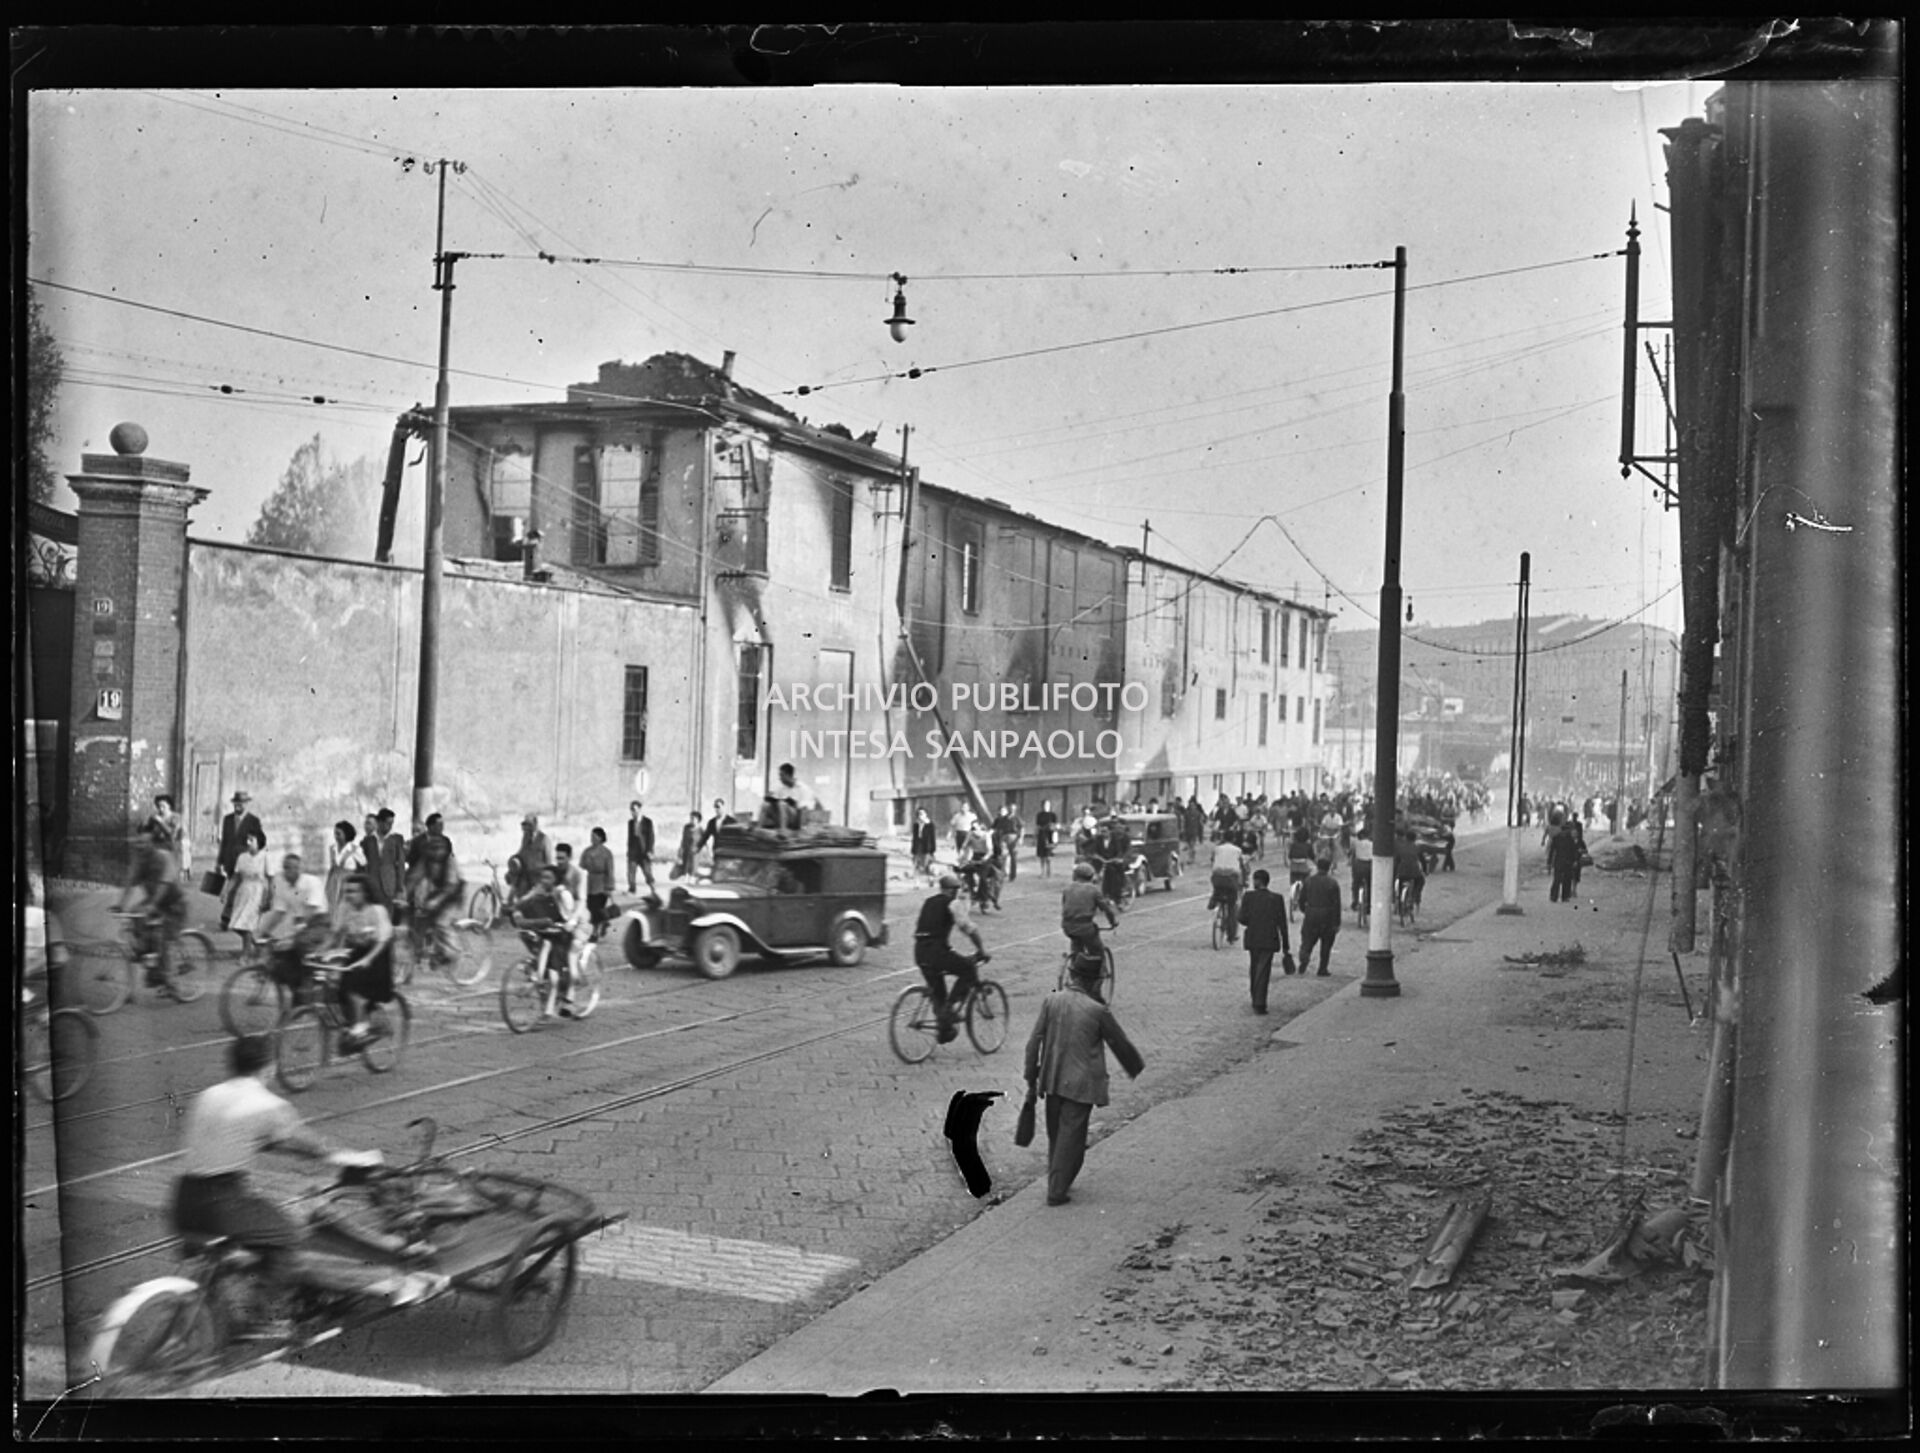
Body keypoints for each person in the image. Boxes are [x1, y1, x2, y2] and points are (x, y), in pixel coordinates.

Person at [171, 1034, 444, 1334]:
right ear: (269, 1068)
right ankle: (260, 1318)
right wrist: (349, 1157)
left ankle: (235, 1274)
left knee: (264, 1225)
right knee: (288, 1238)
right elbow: (310, 1144)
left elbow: (255, 1142)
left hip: (184, 1200)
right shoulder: (266, 1104)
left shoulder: (209, 1095)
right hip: (223, 1203)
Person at [1022, 953, 1145, 1206]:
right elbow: (1119, 1042)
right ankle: (1056, 1190)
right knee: (1072, 1138)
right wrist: (1135, 1067)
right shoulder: (1098, 1010)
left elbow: (1034, 1041)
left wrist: (1030, 1075)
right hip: (1081, 1083)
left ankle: (1058, 1179)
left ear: (1073, 976)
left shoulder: (1052, 1000)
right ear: (1093, 982)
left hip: (1053, 1078)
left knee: (1057, 1135)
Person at [912, 872, 989, 1044]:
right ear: (953, 890)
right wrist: (981, 950)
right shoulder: (953, 904)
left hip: (920, 951)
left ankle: (944, 1030)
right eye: (957, 889)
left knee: (938, 993)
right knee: (968, 968)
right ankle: (951, 1009)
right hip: (936, 952)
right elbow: (968, 928)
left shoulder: (929, 902)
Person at [328, 873, 397, 1053]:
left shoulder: (376, 910)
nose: (349, 895)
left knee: (355, 989)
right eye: (346, 891)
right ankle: (359, 1021)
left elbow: (382, 940)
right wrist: (324, 951)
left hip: (377, 954)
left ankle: (361, 1029)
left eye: (353, 891)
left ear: (365, 893)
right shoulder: (344, 907)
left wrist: (368, 959)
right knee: (338, 987)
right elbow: (337, 933)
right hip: (355, 950)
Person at [510, 863, 590, 1015]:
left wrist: (567, 924)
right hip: (549, 932)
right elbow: (522, 903)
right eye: (542, 877)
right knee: (543, 952)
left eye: (548, 878)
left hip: (566, 933)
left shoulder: (562, 894)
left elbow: (569, 916)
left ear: (556, 880)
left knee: (561, 964)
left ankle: (568, 997)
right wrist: (517, 909)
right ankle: (547, 1006)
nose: (543, 880)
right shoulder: (539, 890)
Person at [118, 840, 188, 990]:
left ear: (152, 846)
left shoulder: (164, 858)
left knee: (163, 938)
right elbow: (130, 883)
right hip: (155, 903)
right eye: (138, 848)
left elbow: (164, 885)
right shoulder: (142, 863)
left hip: (174, 904)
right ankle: (150, 963)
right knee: (135, 916)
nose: (140, 851)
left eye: (144, 846)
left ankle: (169, 980)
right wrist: (120, 905)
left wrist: (152, 906)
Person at [258, 850, 329, 990]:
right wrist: (264, 931)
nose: (289, 871)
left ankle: (315, 976)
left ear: (300, 868)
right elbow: (279, 912)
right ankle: (294, 982)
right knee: (279, 949)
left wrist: (295, 934)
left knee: (300, 943)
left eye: (294, 867)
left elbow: (311, 910)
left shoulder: (312, 882)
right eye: (286, 867)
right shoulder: (280, 882)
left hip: (318, 921)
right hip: (297, 920)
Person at [1236, 868, 1291, 1012]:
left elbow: (1242, 919)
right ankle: (1259, 1002)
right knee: (1263, 970)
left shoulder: (1248, 897)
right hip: (1269, 938)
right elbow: (1282, 924)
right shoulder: (1277, 898)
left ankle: (1255, 997)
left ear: (1256, 881)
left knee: (1254, 968)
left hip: (1253, 938)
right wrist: (1286, 946)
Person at [407, 829, 465, 963]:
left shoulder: (450, 861)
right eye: (434, 848)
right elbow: (414, 878)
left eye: (440, 848)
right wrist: (403, 895)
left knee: (441, 923)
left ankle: (453, 953)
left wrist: (436, 901)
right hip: (437, 893)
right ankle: (422, 949)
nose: (437, 852)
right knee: (419, 917)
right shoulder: (426, 860)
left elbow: (451, 886)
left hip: (453, 895)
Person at [1059, 861, 1119, 975]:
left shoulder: (1067, 889)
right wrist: (1113, 922)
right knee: (1097, 949)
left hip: (1067, 927)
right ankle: (1101, 972)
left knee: (1076, 946)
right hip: (1085, 928)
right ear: (1091, 877)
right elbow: (1106, 910)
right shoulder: (1094, 890)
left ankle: (1075, 969)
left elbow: (1065, 906)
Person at [224, 832, 268, 960]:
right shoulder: (242, 857)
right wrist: (226, 891)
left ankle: (246, 953)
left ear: (259, 842)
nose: (248, 843)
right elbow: (236, 877)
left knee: (247, 923)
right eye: (247, 840)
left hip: (257, 892)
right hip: (243, 891)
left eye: (251, 840)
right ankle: (255, 943)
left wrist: (269, 897)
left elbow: (271, 879)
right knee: (235, 924)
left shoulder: (264, 857)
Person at [1297, 858, 1343, 977]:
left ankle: (1304, 957)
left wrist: (1305, 910)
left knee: (1308, 939)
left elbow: (1301, 899)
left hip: (1311, 913)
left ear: (1317, 867)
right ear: (1329, 868)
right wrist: (1337, 922)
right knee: (1326, 944)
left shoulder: (1308, 881)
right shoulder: (1333, 883)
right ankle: (1322, 968)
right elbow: (1337, 904)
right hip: (1327, 915)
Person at [1209, 832, 1246, 945]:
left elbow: (1212, 860)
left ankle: (1213, 901)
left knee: (1217, 889)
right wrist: (1244, 882)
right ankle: (1232, 935)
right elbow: (1242, 866)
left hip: (1217, 878)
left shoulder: (1217, 849)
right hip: (1231, 880)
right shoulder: (1238, 850)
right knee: (1232, 908)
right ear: (1233, 839)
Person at [369, 808, 407, 914]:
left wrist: (399, 887)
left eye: (392, 823)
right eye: (387, 823)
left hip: (390, 884)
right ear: (379, 822)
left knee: (389, 913)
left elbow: (401, 865)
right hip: (373, 883)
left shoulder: (396, 840)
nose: (390, 826)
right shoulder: (368, 841)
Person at [581, 827, 617, 936]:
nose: (592, 839)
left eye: (594, 836)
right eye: (591, 836)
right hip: (589, 884)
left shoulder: (606, 853)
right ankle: (604, 921)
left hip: (601, 884)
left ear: (601, 838)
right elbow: (581, 868)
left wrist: (609, 887)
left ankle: (595, 930)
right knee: (591, 907)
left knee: (597, 908)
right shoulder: (586, 852)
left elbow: (610, 871)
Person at [143, 794, 186, 878]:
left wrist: (160, 823)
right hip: (156, 850)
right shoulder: (154, 818)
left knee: (168, 876)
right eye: (158, 806)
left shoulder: (176, 817)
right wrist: (144, 825)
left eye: (163, 806)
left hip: (170, 848)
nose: (160, 809)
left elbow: (172, 834)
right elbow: (147, 832)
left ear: (169, 805)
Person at [324, 820, 364, 911]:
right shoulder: (332, 848)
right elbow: (331, 867)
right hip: (333, 882)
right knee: (333, 906)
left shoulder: (355, 849)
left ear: (346, 834)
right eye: (335, 834)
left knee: (346, 906)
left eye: (338, 834)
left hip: (348, 881)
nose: (336, 837)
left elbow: (363, 866)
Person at [512, 814, 552, 897]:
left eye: (529, 824)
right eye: (525, 824)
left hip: (538, 877)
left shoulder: (544, 839)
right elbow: (521, 852)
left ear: (535, 824)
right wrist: (514, 859)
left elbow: (548, 861)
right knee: (520, 897)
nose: (526, 827)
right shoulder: (525, 837)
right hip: (526, 875)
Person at [1391, 827, 1427, 916]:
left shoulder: (1400, 847)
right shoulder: (1417, 848)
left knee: (1398, 886)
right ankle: (1414, 896)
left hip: (1402, 872)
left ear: (1406, 837)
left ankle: (1399, 903)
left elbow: (1397, 860)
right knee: (1421, 881)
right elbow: (1423, 861)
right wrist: (1425, 871)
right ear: (1414, 839)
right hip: (1415, 872)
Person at [1547, 811, 1580, 904]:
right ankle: (1565, 896)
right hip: (1568, 861)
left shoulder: (1556, 838)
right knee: (1567, 879)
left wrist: (1549, 862)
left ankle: (1554, 896)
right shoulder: (1570, 839)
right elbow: (1574, 850)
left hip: (1559, 860)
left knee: (1557, 879)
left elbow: (1552, 851)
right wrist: (1575, 860)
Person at [625, 801, 657, 894]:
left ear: (639, 810)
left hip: (644, 852)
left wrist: (650, 851)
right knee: (631, 872)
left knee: (647, 872)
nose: (632, 812)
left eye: (634, 809)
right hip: (633, 852)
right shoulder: (630, 822)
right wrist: (628, 850)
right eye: (631, 810)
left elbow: (651, 837)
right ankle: (632, 889)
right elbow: (630, 837)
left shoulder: (647, 822)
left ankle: (653, 889)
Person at [1285, 826, 1316, 917]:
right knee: (1308, 883)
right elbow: (1312, 857)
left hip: (1294, 868)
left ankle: (1293, 898)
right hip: (1304, 868)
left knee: (1293, 881)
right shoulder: (1308, 846)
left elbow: (1290, 856)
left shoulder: (1293, 845)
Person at [992, 801, 1023, 882]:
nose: (1011, 810)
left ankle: (1012, 875)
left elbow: (1022, 828)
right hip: (1005, 838)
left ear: (1015, 810)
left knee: (1013, 858)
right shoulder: (1003, 819)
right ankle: (1002, 873)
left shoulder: (1017, 819)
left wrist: (1020, 838)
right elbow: (998, 828)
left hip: (1013, 838)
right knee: (1003, 856)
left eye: (1013, 809)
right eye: (1010, 808)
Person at [1033, 799, 1059, 877]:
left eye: (1047, 804)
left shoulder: (1053, 815)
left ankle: (1049, 871)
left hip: (1050, 835)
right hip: (1041, 835)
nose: (1046, 806)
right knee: (1041, 855)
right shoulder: (1039, 815)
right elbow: (1037, 826)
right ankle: (1042, 871)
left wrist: (1053, 830)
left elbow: (1056, 825)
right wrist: (1035, 836)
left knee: (1048, 855)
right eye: (1044, 805)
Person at [910, 808, 938, 879]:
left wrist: (933, 849)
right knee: (916, 863)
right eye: (919, 814)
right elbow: (914, 837)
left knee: (926, 864)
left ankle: (930, 879)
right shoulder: (916, 825)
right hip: (918, 846)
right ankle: (917, 882)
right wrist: (913, 849)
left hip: (926, 846)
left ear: (926, 814)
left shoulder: (930, 825)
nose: (920, 816)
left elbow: (932, 838)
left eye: (922, 814)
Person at [675, 809, 702, 879]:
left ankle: (692, 879)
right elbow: (683, 839)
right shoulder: (686, 827)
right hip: (686, 850)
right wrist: (680, 849)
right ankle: (685, 878)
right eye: (691, 818)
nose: (692, 820)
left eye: (694, 818)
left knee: (693, 868)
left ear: (698, 819)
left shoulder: (700, 830)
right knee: (685, 867)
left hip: (695, 852)